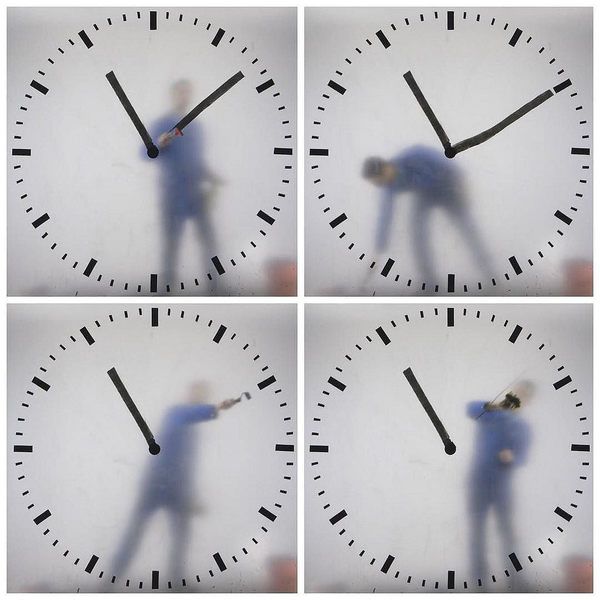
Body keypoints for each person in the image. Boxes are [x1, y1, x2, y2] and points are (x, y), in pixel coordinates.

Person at [110, 382, 240, 588]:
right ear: (189, 395)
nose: (198, 398)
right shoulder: (177, 414)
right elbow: (187, 419)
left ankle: (176, 583)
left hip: (173, 489)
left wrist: (191, 497)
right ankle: (111, 579)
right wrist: (215, 408)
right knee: (136, 536)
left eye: (202, 395)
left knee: (179, 538)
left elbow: (186, 467)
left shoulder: (191, 431)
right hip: (156, 484)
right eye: (197, 394)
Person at [362, 146, 492, 286]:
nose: (381, 185)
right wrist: (378, 250)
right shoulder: (389, 185)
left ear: (385, 168)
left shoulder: (413, 155)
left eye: (379, 181)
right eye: (378, 184)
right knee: (417, 233)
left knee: (468, 230)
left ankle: (490, 275)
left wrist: (462, 185)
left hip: (448, 186)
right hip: (426, 195)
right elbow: (385, 216)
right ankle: (430, 284)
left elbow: (447, 162)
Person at [150, 80, 221, 290]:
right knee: (171, 244)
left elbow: (196, 160)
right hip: (172, 195)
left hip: (196, 194)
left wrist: (211, 176)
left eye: (187, 93)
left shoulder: (197, 127)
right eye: (180, 93)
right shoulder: (162, 124)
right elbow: (147, 153)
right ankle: (166, 290)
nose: (184, 97)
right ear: (173, 96)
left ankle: (215, 287)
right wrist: (158, 143)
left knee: (209, 241)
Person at [466, 381, 533, 585]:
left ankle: (515, 579)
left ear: (526, 402)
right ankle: (480, 582)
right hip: (478, 483)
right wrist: (495, 405)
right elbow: (471, 408)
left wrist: (511, 458)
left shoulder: (522, 427)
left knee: (507, 533)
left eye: (521, 397)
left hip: (502, 487)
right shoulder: (490, 415)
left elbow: (523, 457)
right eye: (515, 394)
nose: (515, 399)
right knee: (478, 533)